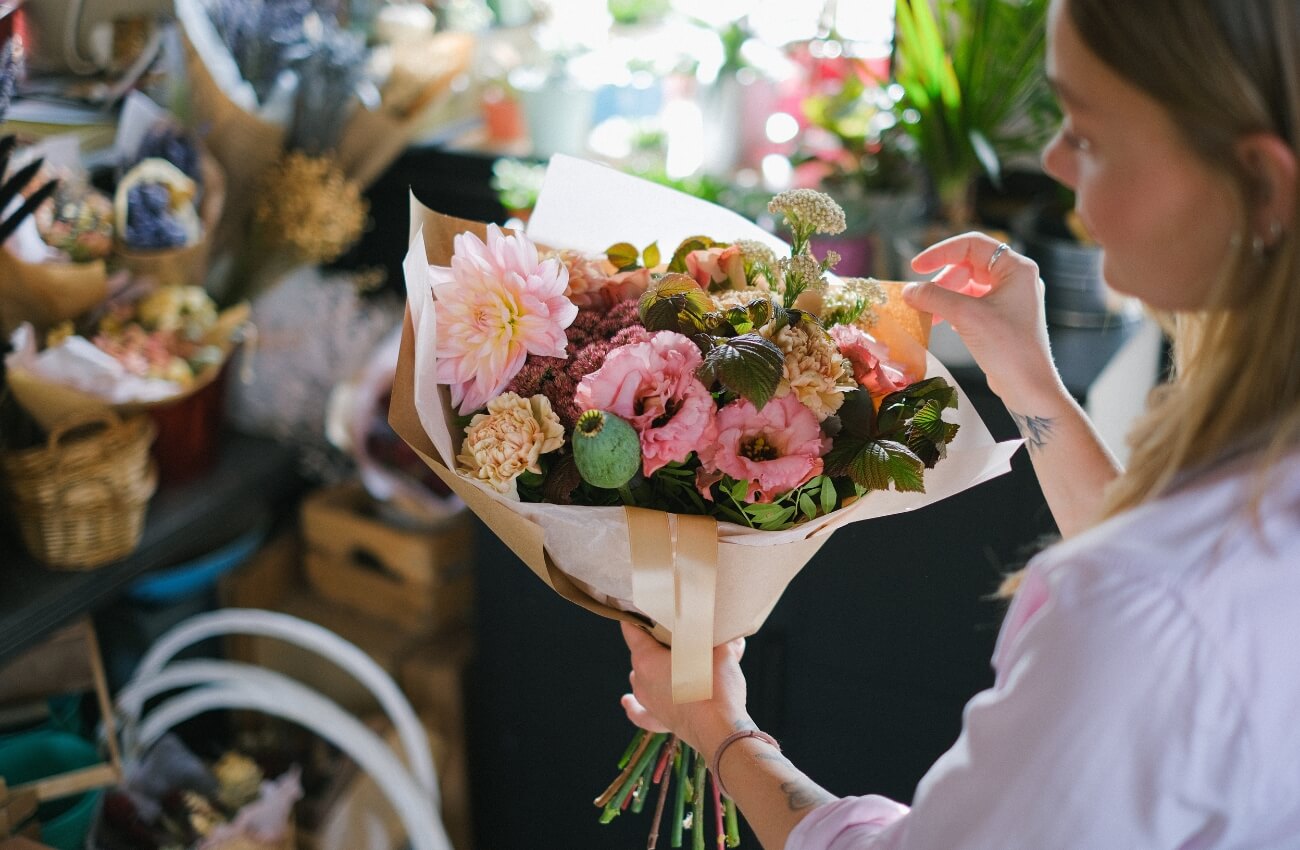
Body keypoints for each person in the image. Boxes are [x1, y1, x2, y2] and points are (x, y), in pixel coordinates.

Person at [620, 0, 1300, 846]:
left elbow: (1155, 599)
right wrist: (1027, 376)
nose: (1052, 160)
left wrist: (720, 733)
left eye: (1087, 134)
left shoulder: (1134, 608)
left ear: (1262, 185)